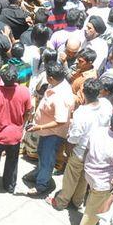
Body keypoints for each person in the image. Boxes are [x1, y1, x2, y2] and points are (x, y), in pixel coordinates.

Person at [49, 78, 111, 210]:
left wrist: (68, 150)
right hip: (96, 151)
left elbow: (74, 137)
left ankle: (61, 202)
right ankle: (77, 201)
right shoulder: (107, 105)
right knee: (84, 178)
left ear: (83, 93)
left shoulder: (81, 113)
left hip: (80, 152)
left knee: (70, 178)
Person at [0, 64, 32, 195]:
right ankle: (9, 185)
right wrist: (22, 125)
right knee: (12, 161)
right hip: (15, 135)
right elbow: (28, 111)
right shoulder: (25, 91)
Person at [25, 62, 74, 196]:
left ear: (51, 78)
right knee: (41, 153)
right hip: (46, 132)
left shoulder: (60, 96)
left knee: (47, 159)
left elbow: (60, 120)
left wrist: (39, 126)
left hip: (53, 134)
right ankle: (39, 174)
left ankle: (42, 185)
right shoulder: (58, 85)